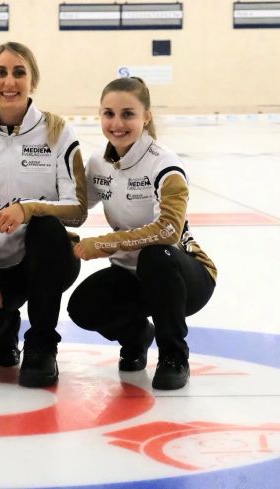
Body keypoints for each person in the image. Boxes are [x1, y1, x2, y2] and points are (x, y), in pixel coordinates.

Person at [0, 42, 87, 388]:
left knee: (45, 228)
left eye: (19, 72)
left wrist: (28, 209)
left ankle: (41, 346)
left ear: (33, 81)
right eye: (1, 73)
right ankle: (5, 329)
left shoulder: (58, 133)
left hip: (48, 261)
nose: (10, 82)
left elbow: (78, 208)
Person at [67, 77, 217, 390]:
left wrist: (106, 243)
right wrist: (42, 221)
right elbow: (76, 210)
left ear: (146, 116)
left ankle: (174, 356)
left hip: (183, 277)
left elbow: (169, 230)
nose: (117, 123)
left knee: (156, 255)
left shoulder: (165, 164)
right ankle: (137, 338)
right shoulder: (99, 162)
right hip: (131, 276)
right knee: (83, 306)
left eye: (128, 114)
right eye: (108, 114)